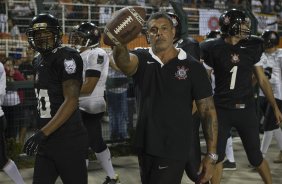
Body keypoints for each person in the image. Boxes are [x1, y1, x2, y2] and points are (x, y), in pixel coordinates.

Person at [112, 12, 218, 184]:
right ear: (147, 35)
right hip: (144, 144)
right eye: (153, 30)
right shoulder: (141, 57)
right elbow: (124, 62)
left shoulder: (192, 66)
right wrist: (119, 42)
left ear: (173, 32)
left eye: (164, 28)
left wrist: (212, 155)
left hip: (173, 146)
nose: (159, 33)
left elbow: (208, 111)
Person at [200, 9, 282, 184]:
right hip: (221, 110)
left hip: (246, 109)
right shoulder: (212, 47)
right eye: (242, 24)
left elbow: (262, 79)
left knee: (255, 157)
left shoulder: (253, 46)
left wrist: (274, 106)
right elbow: (202, 81)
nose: (246, 27)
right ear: (231, 26)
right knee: (217, 157)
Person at [23, 13, 88, 183]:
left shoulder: (67, 56)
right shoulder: (37, 61)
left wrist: (42, 133)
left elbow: (71, 100)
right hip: (47, 142)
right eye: (37, 34)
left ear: (57, 34)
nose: (41, 37)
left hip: (68, 140)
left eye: (46, 33)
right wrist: (43, 134)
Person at [69, 22, 120, 184]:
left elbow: (89, 86)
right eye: (75, 36)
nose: (75, 40)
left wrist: (65, 93)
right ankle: (112, 177)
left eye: (79, 37)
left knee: (81, 144)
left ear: (90, 39)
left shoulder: (96, 53)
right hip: (82, 103)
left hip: (90, 103)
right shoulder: (80, 54)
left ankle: (83, 179)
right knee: (95, 141)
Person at [168, 1, 205, 183]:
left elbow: (195, 78)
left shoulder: (187, 43)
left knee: (192, 165)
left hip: (186, 110)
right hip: (169, 111)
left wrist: (192, 107)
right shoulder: (161, 48)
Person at [0, 57, 25, 184]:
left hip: (5, 111)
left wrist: (12, 72)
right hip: (2, 111)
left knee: (2, 160)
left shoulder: (1, 68)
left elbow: (21, 80)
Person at [258, 30, 282, 163]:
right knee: (273, 126)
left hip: (278, 95)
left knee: (267, 126)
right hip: (263, 94)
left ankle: (260, 157)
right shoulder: (261, 55)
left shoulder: (280, 55)